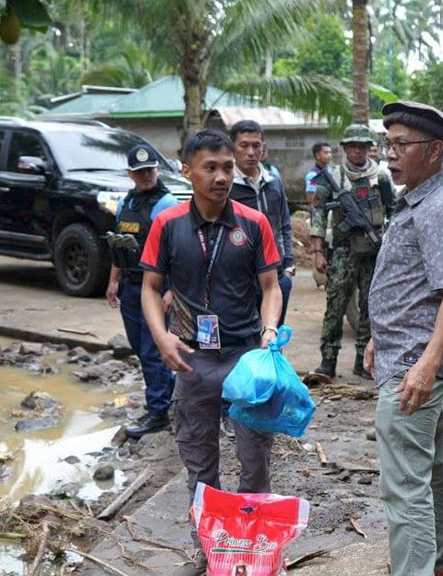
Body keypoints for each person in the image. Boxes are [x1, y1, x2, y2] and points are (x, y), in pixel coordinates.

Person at [140, 129, 283, 552]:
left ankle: (252, 539)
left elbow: (271, 286)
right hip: (191, 358)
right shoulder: (166, 224)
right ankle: (209, 541)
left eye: (227, 167)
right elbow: (150, 287)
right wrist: (161, 338)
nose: (222, 177)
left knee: (255, 456)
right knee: (199, 458)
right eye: (210, 168)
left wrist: (269, 331)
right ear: (187, 172)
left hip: (246, 358)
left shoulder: (253, 223)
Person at [364, 101, 443, 576]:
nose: (390, 154)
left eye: (400, 145)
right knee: (427, 474)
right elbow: (412, 284)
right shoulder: (416, 198)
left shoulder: (438, 208)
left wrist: (427, 364)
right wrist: (377, 337)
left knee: (404, 487)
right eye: (386, 144)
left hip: (413, 368)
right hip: (402, 354)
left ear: (434, 150)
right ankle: (442, 561)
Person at [310, 124, 395, 380]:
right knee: (335, 305)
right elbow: (318, 213)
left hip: (372, 251)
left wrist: (388, 242)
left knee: (371, 306)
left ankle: (363, 360)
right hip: (344, 250)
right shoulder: (333, 176)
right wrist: (318, 251)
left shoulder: (380, 177)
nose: (357, 151)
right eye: (352, 146)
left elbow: (393, 210)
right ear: (345, 148)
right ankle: (328, 359)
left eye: (362, 145)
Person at [105, 145, 178, 439]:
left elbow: (178, 251)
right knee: (140, 348)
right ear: (130, 173)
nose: (146, 175)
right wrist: (112, 282)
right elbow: (119, 246)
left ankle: (158, 412)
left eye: (151, 170)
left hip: (156, 288)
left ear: (157, 170)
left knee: (152, 351)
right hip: (130, 286)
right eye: (140, 171)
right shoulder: (126, 204)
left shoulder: (167, 203)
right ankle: (169, 399)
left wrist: (173, 290)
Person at [229, 120, 295, 324]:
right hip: (240, 280)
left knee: (272, 338)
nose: (251, 152)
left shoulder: (273, 181)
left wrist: (288, 264)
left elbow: (283, 222)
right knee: (244, 340)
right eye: (244, 145)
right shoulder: (226, 185)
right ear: (233, 147)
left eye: (256, 145)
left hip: (276, 274)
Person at [305, 142, 332, 212]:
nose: (329, 155)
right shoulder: (312, 176)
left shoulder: (332, 171)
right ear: (317, 155)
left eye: (330, 152)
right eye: (326, 153)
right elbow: (310, 196)